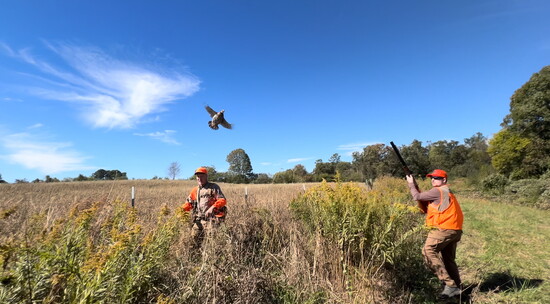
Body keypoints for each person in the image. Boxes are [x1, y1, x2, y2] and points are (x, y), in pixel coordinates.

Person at [406, 169, 464, 299]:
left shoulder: (438, 191)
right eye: (431, 177)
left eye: (437, 178)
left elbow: (417, 197)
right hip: (454, 230)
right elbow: (426, 207)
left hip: (443, 229)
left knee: (428, 251)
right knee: (449, 260)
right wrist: (416, 186)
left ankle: (450, 285)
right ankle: (457, 289)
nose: (433, 180)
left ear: (444, 180)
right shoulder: (446, 191)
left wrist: (410, 184)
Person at [182, 167, 227, 248]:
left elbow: (222, 200)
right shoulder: (195, 190)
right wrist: (181, 211)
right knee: (194, 243)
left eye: (202, 176)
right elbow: (189, 204)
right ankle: (196, 258)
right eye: (198, 176)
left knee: (211, 245)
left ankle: (210, 258)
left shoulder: (213, 187)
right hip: (198, 221)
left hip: (211, 221)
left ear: (206, 176)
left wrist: (212, 207)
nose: (199, 178)